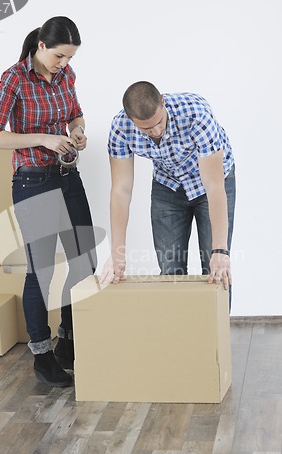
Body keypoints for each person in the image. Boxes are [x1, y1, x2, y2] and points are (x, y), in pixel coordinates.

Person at [0, 16, 97, 387]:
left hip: (68, 177)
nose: (64, 64)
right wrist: (43, 140)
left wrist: (77, 131)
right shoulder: (15, 78)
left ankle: (68, 341)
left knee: (84, 263)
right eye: (59, 56)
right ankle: (42, 355)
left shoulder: (66, 75)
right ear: (41, 46)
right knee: (42, 271)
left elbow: (75, 113)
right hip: (32, 181)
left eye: (69, 58)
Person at [100, 81, 235, 298]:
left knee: (216, 269)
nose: (155, 131)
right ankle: (178, 332)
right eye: (146, 128)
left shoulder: (196, 115)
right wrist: (117, 253)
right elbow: (121, 191)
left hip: (210, 181)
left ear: (162, 102)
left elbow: (214, 186)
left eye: (159, 122)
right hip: (168, 184)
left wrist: (220, 250)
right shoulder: (120, 128)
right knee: (170, 272)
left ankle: (214, 332)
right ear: (130, 118)